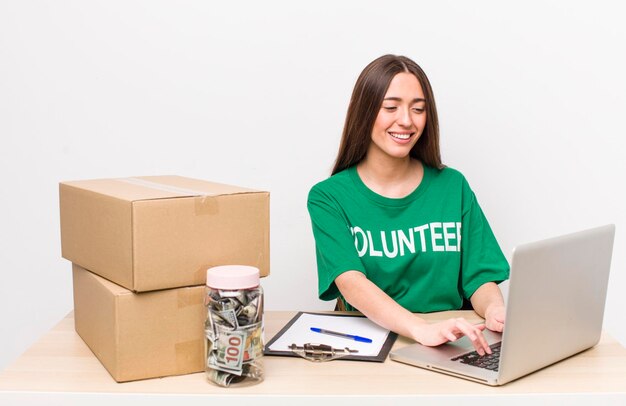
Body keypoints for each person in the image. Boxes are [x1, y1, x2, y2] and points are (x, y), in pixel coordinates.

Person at [307, 54, 509, 356]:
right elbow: (351, 282)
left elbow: (479, 277)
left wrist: (495, 309)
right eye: (391, 107)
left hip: (453, 345)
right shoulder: (329, 197)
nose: (406, 120)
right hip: (372, 347)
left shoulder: (453, 186)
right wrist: (421, 330)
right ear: (364, 112)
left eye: (418, 109)